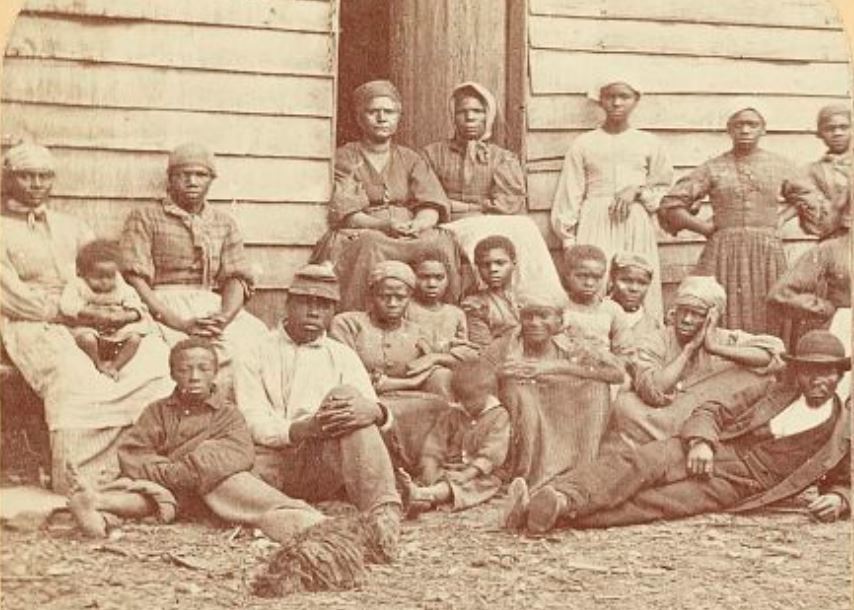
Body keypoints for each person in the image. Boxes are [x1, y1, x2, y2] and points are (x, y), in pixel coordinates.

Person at [503, 330, 851, 534]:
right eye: (809, 372)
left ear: (839, 375)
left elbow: (845, 479)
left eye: (827, 373)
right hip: (715, 448)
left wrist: (839, 499)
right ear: (797, 372)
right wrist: (701, 441)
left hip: (740, 484)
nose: (818, 381)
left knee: (656, 503)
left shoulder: (842, 429)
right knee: (639, 463)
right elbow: (712, 410)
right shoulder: (774, 390)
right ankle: (563, 497)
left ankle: (550, 514)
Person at [0, 142, 174, 493]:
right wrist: (73, 315)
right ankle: (83, 480)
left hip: (95, 316)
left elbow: (111, 274)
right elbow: (9, 295)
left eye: (44, 176)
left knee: (154, 361)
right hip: (35, 322)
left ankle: (144, 467)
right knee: (74, 376)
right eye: (26, 176)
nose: (36, 184)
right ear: (8, 179)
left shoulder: (73, 226)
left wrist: (128, 311)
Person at [67, 339, 321, 545]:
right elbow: (135, 452)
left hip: (210, 484)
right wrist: (170, 474)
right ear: (172, 374)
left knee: (234, 483)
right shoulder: (157, 411)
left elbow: (237, 453)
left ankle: (301, 519)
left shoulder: (228, 413)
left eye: (203, 369)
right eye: (184, 370)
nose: (194, 377)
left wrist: (187, 469)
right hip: (168, 488)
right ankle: (96, 502)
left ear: (216, 374)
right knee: (149, 495)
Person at [233, 263, 402, 562]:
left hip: (323, 461)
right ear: (288, 304)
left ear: (333, 312)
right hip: (274, 462)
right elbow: (253, 419)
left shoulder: (342, 355)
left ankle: (383, 517)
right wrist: (302, 429)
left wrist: (375, 411)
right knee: (231, 478)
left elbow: (369, 418)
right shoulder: (255, 352)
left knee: (349, 399)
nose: (314, 313)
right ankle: (307, 516)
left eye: (323, 306)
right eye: (306, 303)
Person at [120, 142, 269, 386]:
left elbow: (237, 278)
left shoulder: (223, 222)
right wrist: (178, 322)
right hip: (161, 306)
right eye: (183, 174)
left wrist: (222, 318)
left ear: (211, 179)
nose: (192, 181)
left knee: (252, 346)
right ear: (170, 179)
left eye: (200, 174)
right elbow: (135, 278)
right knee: (156, 359)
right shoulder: (146, 216)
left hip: (211, 307)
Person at [310, 80, 460, 311]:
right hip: (368, 228)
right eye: (373, 112)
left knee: (439, 242)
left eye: (389, 112)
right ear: (360, 118)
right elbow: (348, 214)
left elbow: (431, 203)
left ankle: (442, 319)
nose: (382, 118)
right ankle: (358, 316)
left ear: (398, 117)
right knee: (370, 244)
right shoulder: (346, 158)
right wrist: (385, 225)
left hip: (408, 230)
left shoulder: (410, 158)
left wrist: (418, 225)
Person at [658, 106, 802, 334]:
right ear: (729, 130)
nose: (745, 130)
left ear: (763, 130)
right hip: (723, 252)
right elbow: (671, 205)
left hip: (767, 251)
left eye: (752, 124)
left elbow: (807, 196)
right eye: (738, 125)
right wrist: (703, 227)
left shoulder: (779, 165)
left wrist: (780, 219)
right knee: (719, 309)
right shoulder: (714, 167)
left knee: (769, 310)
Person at [423, 81, 566, 306]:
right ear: (453, 116)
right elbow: (430, 197)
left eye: (477, 112)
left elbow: (508, 202)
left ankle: (534, 300)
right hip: (449, 221)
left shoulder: (501, 157)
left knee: (524, 227)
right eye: (462, 112)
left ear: (488, 116)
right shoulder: (432, 154)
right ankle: (484, 301)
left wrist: (472, 208)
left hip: (488, 219)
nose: (469, 118)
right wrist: (472, 207)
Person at [608, 275, 785, 448]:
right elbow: (655, 390)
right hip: (664, 416)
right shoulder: (655, 340)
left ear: (712, 317)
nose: (686, 319)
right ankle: (688, 442)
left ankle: (688, 440)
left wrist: (715, 348)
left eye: (697, 314)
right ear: (675, 310)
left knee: (756, 375)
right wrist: (688, 350)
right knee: (625, 406)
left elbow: (774, 353)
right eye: (683, 311)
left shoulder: (724, 339)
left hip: (707, 417)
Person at [550, 77, 672, 320]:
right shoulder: (584, 144)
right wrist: (569, 241)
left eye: (624, 97)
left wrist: (637, 191)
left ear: (636, 100)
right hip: (595, 220)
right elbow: (570, 192)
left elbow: (664, 191)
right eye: (610, 96)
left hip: (634, 221)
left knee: (635, 281)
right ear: (600, 100)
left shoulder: (649, 142)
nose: (617, 103)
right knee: (596, 281)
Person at [481, 294, 625, 488]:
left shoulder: (573, 343)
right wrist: (498, 374)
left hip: (562, 407)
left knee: (597, 388)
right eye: (528, 316)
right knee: (516, 390)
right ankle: (529, 475)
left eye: (543, 316)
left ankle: (580, 471)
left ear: (559, 319)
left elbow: (617, 374)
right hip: (525, 412)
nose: (534, 323)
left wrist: (554, 367)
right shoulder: (506, 346)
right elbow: (476, 379)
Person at [329, 260, 451, 469]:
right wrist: (410, 383)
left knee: (441, 388)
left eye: (400, 297)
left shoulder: (419, 332)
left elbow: (461, 355)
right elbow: (345, 372)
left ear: (409, 298)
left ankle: (421, 466)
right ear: (371, 296)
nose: (393, 303)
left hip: (406, 398)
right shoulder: (348, 323)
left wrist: (434, 360)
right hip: (362, 395)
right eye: (385, 296)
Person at [400, 359, 510, 515]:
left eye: (473, 400)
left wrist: (468, 474)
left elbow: (492, 453)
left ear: (488, 393)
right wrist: (429, 469)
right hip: (449, 469)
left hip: (479, 473)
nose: (467, 405)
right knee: (434, 478)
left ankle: (424, 495)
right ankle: (424, 495)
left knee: (478, 486)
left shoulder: (499, 416)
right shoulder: (454, 414)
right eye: (462, 400)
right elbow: (435, 443)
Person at [59, 239, 152, 379]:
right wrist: (91, 312)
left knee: (134, 338)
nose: (105, 282)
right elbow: (67, 305)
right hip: (90, 327)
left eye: (110, 277)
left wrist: (125, 316)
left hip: (117, 329)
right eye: (98, 277)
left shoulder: (121, 286)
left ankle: (115, 366)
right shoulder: (78, 285)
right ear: (82, 273)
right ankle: (98, 363)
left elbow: (136, 303)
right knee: (87, 339)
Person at [785, 104, 851, 239]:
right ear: (820, 134)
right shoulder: (811, 172)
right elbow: (817, 224)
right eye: (830, 129)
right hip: (836, 241)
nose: (838, 133)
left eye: (844, 127)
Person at [405, 250, 477, 364]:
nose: (432, 284)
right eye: (424, 277)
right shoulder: (405, 309)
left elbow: (463, 351)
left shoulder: (456, 314)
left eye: (439, 278)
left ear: (448, 279)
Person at [561, 245, 630, 353]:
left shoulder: (612, 310)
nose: (589, 283)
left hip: (606, 367)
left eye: (596, 277)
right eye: (582, 276)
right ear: (567, 275)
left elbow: (625, 350)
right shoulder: (560, 308)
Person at [461, 235, 521, 347]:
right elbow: (483, 349)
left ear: (514, 264)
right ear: (477, 268)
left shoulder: (529, 297)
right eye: (485, 265)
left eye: (500, 263)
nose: (493, 269)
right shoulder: (475, 305)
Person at [605, 252, 662, 356]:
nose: (634, 289)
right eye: (626, 280)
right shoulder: (599, 315)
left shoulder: (653, 326)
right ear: (612, 279)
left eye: (642, 283)